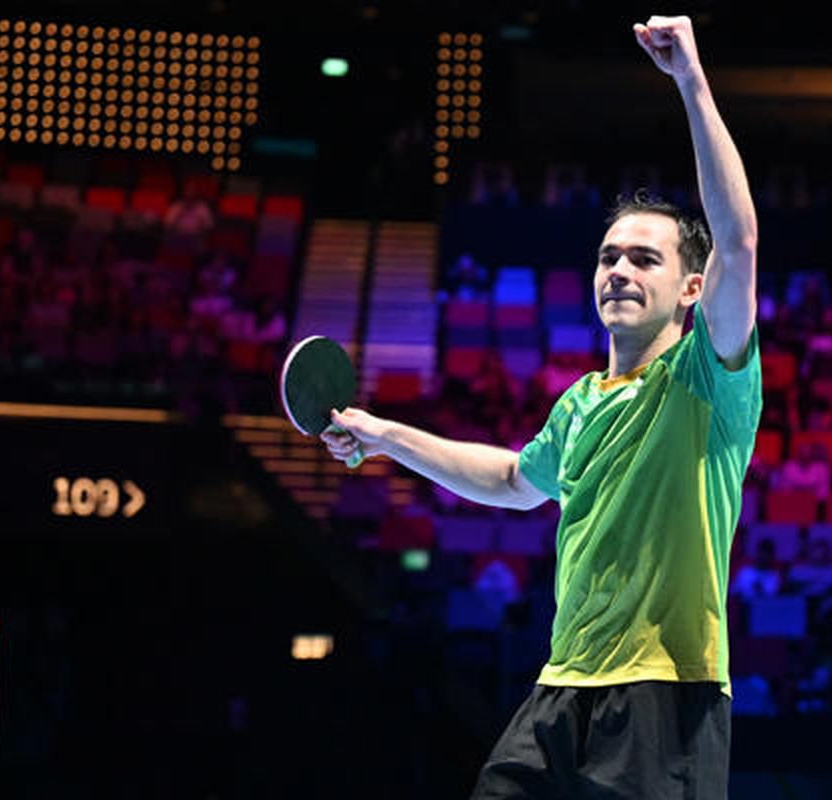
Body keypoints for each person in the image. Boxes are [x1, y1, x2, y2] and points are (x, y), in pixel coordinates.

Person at [324, 16, 758, 797]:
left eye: (644, 259)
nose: (619, 270)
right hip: (561, 688)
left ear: (692, 288)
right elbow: (511, 482)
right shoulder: (580, 403)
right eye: (608, 256)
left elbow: (739, 241)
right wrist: (385, 435)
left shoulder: (708, 378)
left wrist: (691, 80)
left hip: (666, 693)